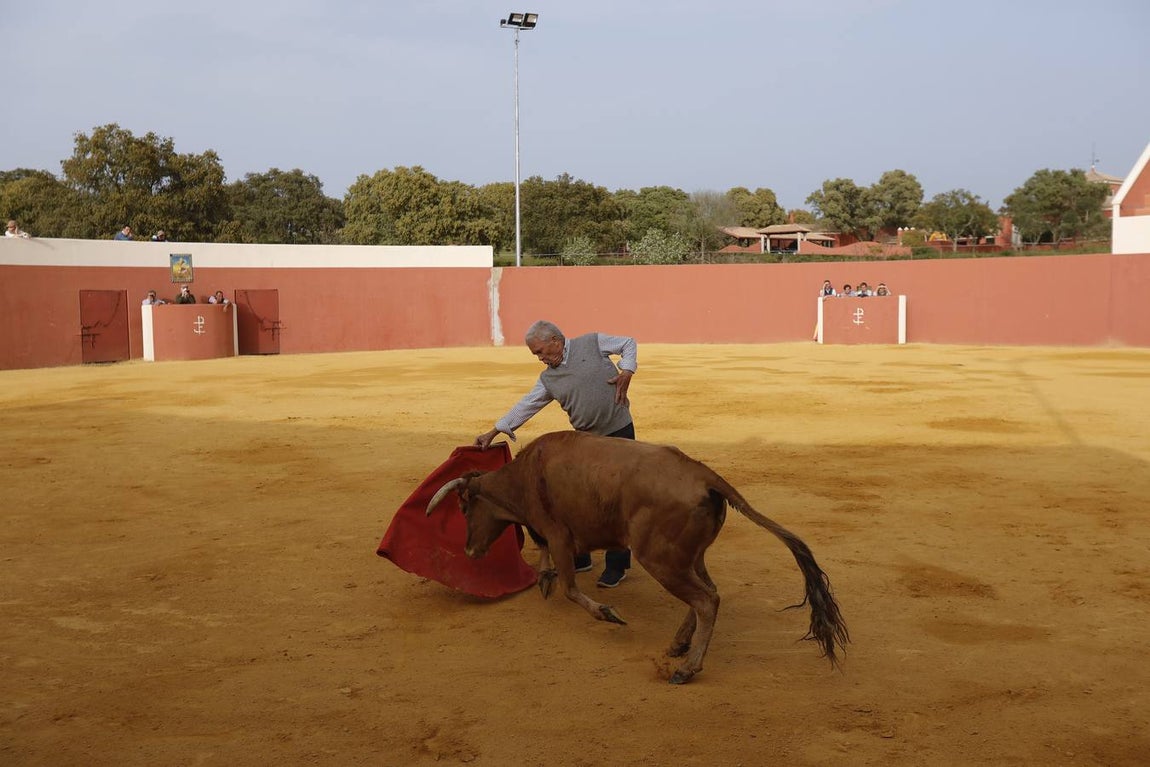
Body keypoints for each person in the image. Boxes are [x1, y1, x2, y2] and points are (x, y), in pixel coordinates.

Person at [475, 319, 637, 588]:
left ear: (556, 341)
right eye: (535, 354)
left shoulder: (592, 342)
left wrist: (627, 369)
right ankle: (580, 556)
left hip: (619, 434)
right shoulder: (548, 378)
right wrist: (495, 431)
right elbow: (527, 404)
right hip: (585, 443)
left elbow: (628, 342)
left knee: (616, 501)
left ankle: (617, 565)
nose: (539, 358)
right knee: (580, 500)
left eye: (540, 351)